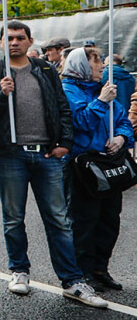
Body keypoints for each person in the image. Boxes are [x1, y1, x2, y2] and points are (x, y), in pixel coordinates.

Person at [0, 20, 107, 308]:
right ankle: (19, 271)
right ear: (0, 43)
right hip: (10, 155)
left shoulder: (44, 70)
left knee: (58, 220)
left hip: (47, 154)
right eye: (8, 38)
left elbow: (62, 107)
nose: (14, 43)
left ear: (30, 41)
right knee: (13, 218)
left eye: (20, 38)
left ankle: (72, 280)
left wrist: (65, 144)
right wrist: (1, 94)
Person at [61, 47, 133, 293]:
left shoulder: (104, 88)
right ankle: (83, 272)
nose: (102, 66)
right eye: (97, 62)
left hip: (109, 162)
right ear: (82, 64)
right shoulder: (68, 90)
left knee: (109, 219)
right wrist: (101, 101)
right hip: (84, 165)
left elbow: (123, 120)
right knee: (84, 220)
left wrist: (122, 138)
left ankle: (101, 269)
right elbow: (80, 122)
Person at [102, 54, 135, 120]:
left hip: (109, 113)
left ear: (108, 61)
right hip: (126, 112)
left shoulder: (103, 74)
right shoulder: (131, 78)